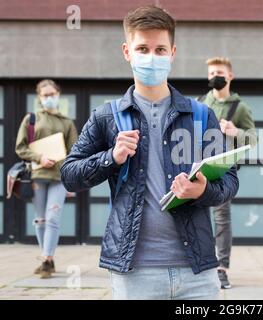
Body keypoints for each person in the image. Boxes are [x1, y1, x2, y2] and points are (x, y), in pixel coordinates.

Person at [60, 5, 238, 300]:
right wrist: (111, 157)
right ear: (127, 51)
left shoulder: (200, 115)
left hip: (198, 273)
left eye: (159, 49)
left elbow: (229, 182)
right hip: (134, 272)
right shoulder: (107, 116)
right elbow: (69, 175)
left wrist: (202, 190)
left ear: (172, 53)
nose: (151, 57)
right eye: (142, 48)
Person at [199, 57, 257, 289]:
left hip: (224, 170)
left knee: (221, 218)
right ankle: (202, 265)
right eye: (212, 73)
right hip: (200, 167)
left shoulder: (240, 107)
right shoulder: (201, 102)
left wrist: (235, 131)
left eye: (220, 73)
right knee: (196, 215)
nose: (215, 77)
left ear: (230, 76)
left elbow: (253, 138)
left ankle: (222, 268)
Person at [15, 79, 78, 279]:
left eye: (52, 94)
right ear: (39, 98)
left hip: (59, 178)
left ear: (58, 94)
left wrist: (71, 180)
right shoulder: (31, 119)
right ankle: (47, 259)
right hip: (38, 176)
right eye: (45, 95)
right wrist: (40, 157)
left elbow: (75, 152)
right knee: (41, 220)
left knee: (52, 218)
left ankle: (46, 258)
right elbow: (21, 148)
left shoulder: (67, 123)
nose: (49, 98)